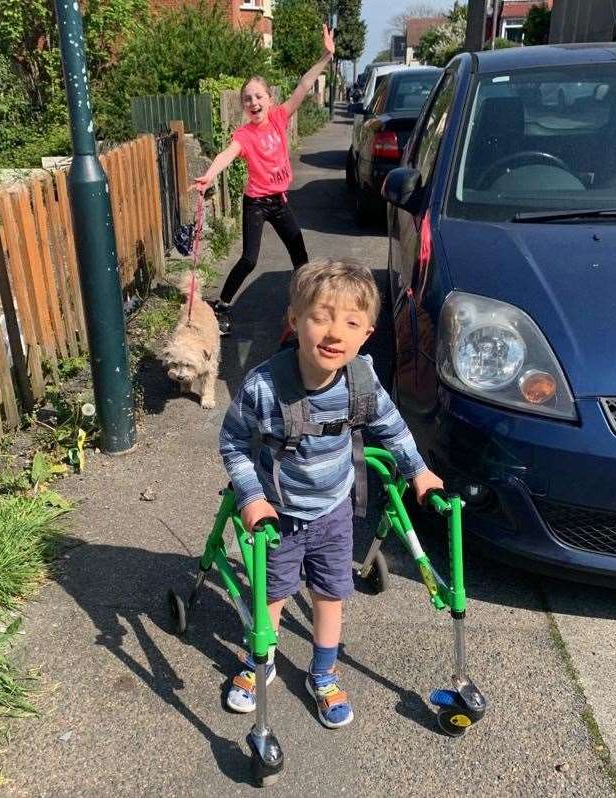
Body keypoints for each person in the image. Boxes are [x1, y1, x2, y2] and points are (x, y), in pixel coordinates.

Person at [219, 258, 444, 729]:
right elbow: (234, 442)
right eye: (320, 316)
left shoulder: (361, 382)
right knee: (272, 596)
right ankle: (260, 661)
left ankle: (322, 673)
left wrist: (419, 471)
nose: (333, 332)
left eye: (350, 322)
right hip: (277, 515)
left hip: (333, 512)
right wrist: (249, 496)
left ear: (366, 334)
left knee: (330, 595)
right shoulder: (264, 386)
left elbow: (393, 428)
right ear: (294, 321)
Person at [191, 25, 336, 336]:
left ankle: (305, 306)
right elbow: (227, 155)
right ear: (243, 106)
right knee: (248, 259)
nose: (253, 102)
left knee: (300, 253)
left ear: (270, 99)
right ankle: (223, 306)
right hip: (256, 202)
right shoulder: (244, 135)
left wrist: (326, 56)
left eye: (258, 96)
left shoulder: (279, 119)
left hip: (279, 202)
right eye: (247, 99)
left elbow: (304, 85)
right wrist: (209, 175)